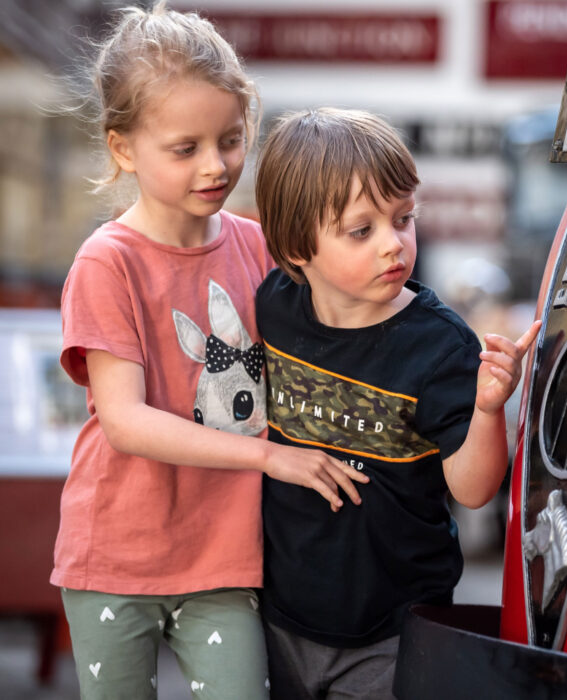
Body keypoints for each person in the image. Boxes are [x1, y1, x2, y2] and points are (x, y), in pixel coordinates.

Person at [52, 7, 367, 699]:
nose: (216, 164)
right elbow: (126, 422)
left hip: (227, 560)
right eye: (185, 147)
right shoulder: (107, 262)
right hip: (114, 560)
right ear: (124, 148)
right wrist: (269, 456)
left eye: (230, 139)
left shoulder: (256, 247)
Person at [254, 107, 541, 699]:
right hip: (276, 614)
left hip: (395, 630)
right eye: (362, 230)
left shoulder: (439, 346)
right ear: (295, 248)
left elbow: (472, 490)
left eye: (404, 219)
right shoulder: (272, 306)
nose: (394, 244)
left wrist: (489, 410)